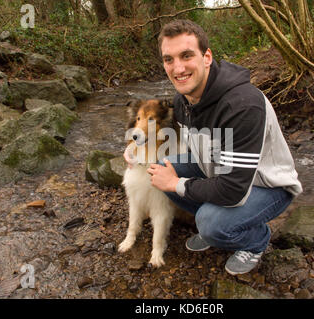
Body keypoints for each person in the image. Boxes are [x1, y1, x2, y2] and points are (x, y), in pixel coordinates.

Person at [124, 19, 302, 275]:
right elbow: (159, 132)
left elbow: (233, 190)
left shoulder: (242, 106)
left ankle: (255, 240)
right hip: (216, 169)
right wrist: (133, 147)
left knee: (210, 223)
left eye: (186, 56)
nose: (178, 68)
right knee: (158, 169)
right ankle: (217, 220)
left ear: (207, 57)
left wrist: (177, 184)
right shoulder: (183, 99)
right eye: (169, 59)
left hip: (267, 185)